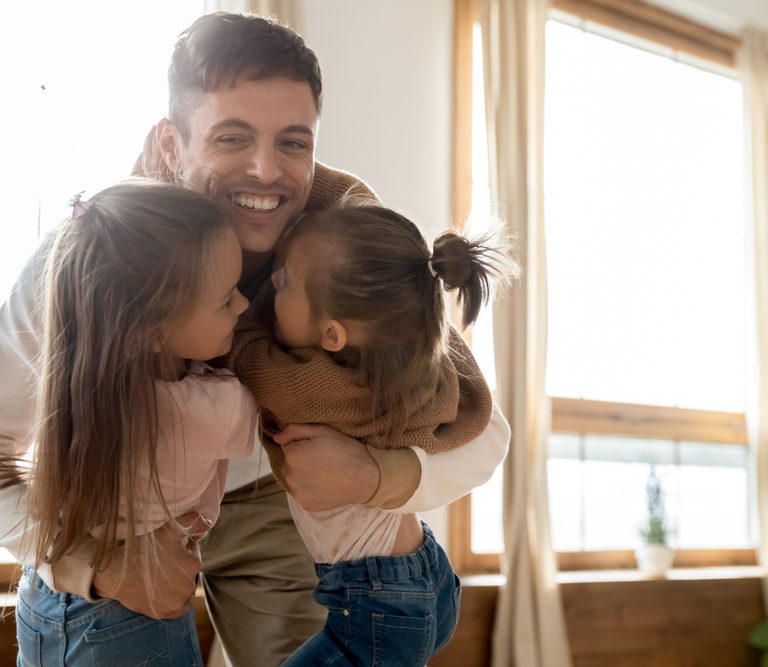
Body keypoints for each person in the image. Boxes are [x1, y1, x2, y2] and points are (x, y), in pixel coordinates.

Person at [0, 12, 511, 666]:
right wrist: (86, 567)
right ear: (170, 143)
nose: (266, 171)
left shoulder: (343, 237)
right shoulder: (93, 260)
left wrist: (374, 474)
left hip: (282, 495)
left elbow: (482, 428)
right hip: (125, 508)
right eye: (232, 137)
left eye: (294, 143)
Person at [226, 201, 514, 665]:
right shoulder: (411, 375)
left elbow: (244, 354)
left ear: (333, 335)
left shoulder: (308, 390)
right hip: (425, 573)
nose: (271, 285)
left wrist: (231, 306)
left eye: (284, 282)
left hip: (376, 597)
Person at [15, 180, 257, 666]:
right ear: (155, 330)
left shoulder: (75, 386)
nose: (244, 306)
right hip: (132, 611)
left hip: (41, 598)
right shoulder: (217, 406)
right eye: (226, 298)